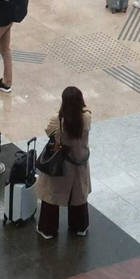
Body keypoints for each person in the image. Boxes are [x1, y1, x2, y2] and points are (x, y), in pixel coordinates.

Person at [36, 86, 92, 239]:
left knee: (52, 195)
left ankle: (48, 229)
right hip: (80, 162)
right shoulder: (86, 117)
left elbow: (49, 131)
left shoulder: (58, 119)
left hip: (61, 164)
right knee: (79, 194)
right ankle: (79, 227)